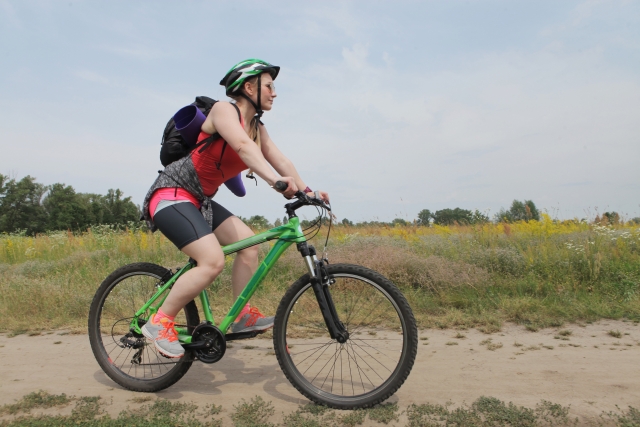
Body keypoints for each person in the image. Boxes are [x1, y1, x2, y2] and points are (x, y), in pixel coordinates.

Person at [140, 59, 330, 358]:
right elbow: (242, 146)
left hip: (199, 201)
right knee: (212, 260)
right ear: (249, 87)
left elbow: (281, 160)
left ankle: (242, 316)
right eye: (269, 86)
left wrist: (309, 192)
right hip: (171, 195)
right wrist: (275, 182)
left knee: (249, 245)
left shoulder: (258, 128)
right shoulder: (223, 111)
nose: (274, 93)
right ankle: (159, 321)